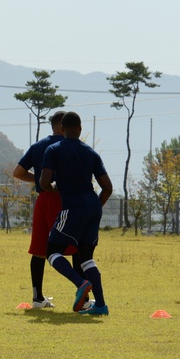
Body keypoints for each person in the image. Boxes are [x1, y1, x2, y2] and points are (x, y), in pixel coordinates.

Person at [39, 111, 113, 316]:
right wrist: (94, 207)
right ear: (80, 128)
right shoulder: (91, 153)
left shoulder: (53, 149)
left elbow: (43, 182)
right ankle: (100, 305)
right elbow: (108, 187)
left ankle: (80, 283)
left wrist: (54, 188)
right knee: (86, 257)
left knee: (52, 251)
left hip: (73, 206)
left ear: (62, 129)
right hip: (93, 205)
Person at [13, 111, 70, 308]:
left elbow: (18, 172)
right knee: (76, 247)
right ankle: (85, 299)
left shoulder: (38, 146)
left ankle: (37, 298)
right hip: (62, 198)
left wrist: (37, 180)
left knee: (38, 249)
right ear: (64, 126)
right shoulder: (67, 145)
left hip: (42, 200)